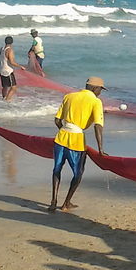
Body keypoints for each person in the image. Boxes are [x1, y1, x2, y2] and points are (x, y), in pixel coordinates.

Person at [49, 76, 107, 212]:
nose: (100, 92)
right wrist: (100, 149)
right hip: (77, 141)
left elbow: (57, 121)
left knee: (57, 169)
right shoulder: (96, 101)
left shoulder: (69, 96)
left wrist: (65, 131)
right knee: (78, 172)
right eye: (100, 89)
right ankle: (66, 203)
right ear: (94, 88)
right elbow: (98, 126)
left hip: (61, 137)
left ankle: (53, 202)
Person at [0, 35, 24, 102]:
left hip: (1, 69)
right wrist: (20, 66)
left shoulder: (2, 49)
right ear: (12, 42)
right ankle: (7, 100)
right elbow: (12, 62)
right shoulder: (10, 50)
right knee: (13, 87)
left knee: (5, 86)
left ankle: (4, 98)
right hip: (8, 71)